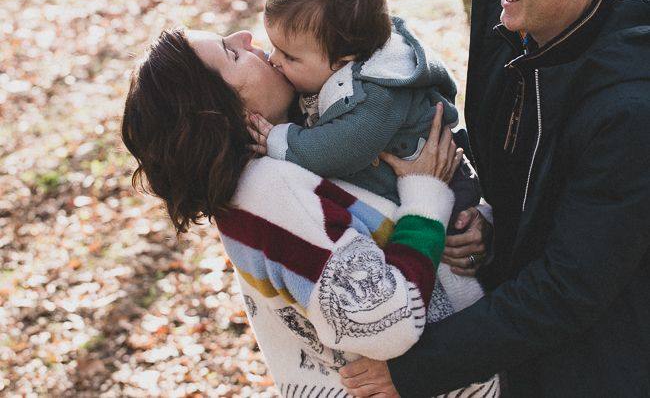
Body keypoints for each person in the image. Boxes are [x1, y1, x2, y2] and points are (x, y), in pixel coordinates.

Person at [340, 0, 650, 397]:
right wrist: (483, 221)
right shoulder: (518, 36)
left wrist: (415, 370)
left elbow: (568, 287)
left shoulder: (629, 109)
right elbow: (522, 178)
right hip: (526, 349)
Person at [120, 27, 496, 396]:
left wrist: (467, 228)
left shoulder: (297, 155)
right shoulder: (269, 190)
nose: (245, 37)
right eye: (231, 54)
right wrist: (426, 194)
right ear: (222, 113)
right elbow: (385, 324)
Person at [249, 0, 486, 315]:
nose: (273, 60)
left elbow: (337, 150)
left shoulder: (377, 94)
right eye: (274, 47)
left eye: (289, 57)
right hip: (402, 196)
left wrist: (281, 140)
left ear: (344, 61)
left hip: (448, 193)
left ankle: (469, 321)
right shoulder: (335, 74)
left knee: (457, 271)